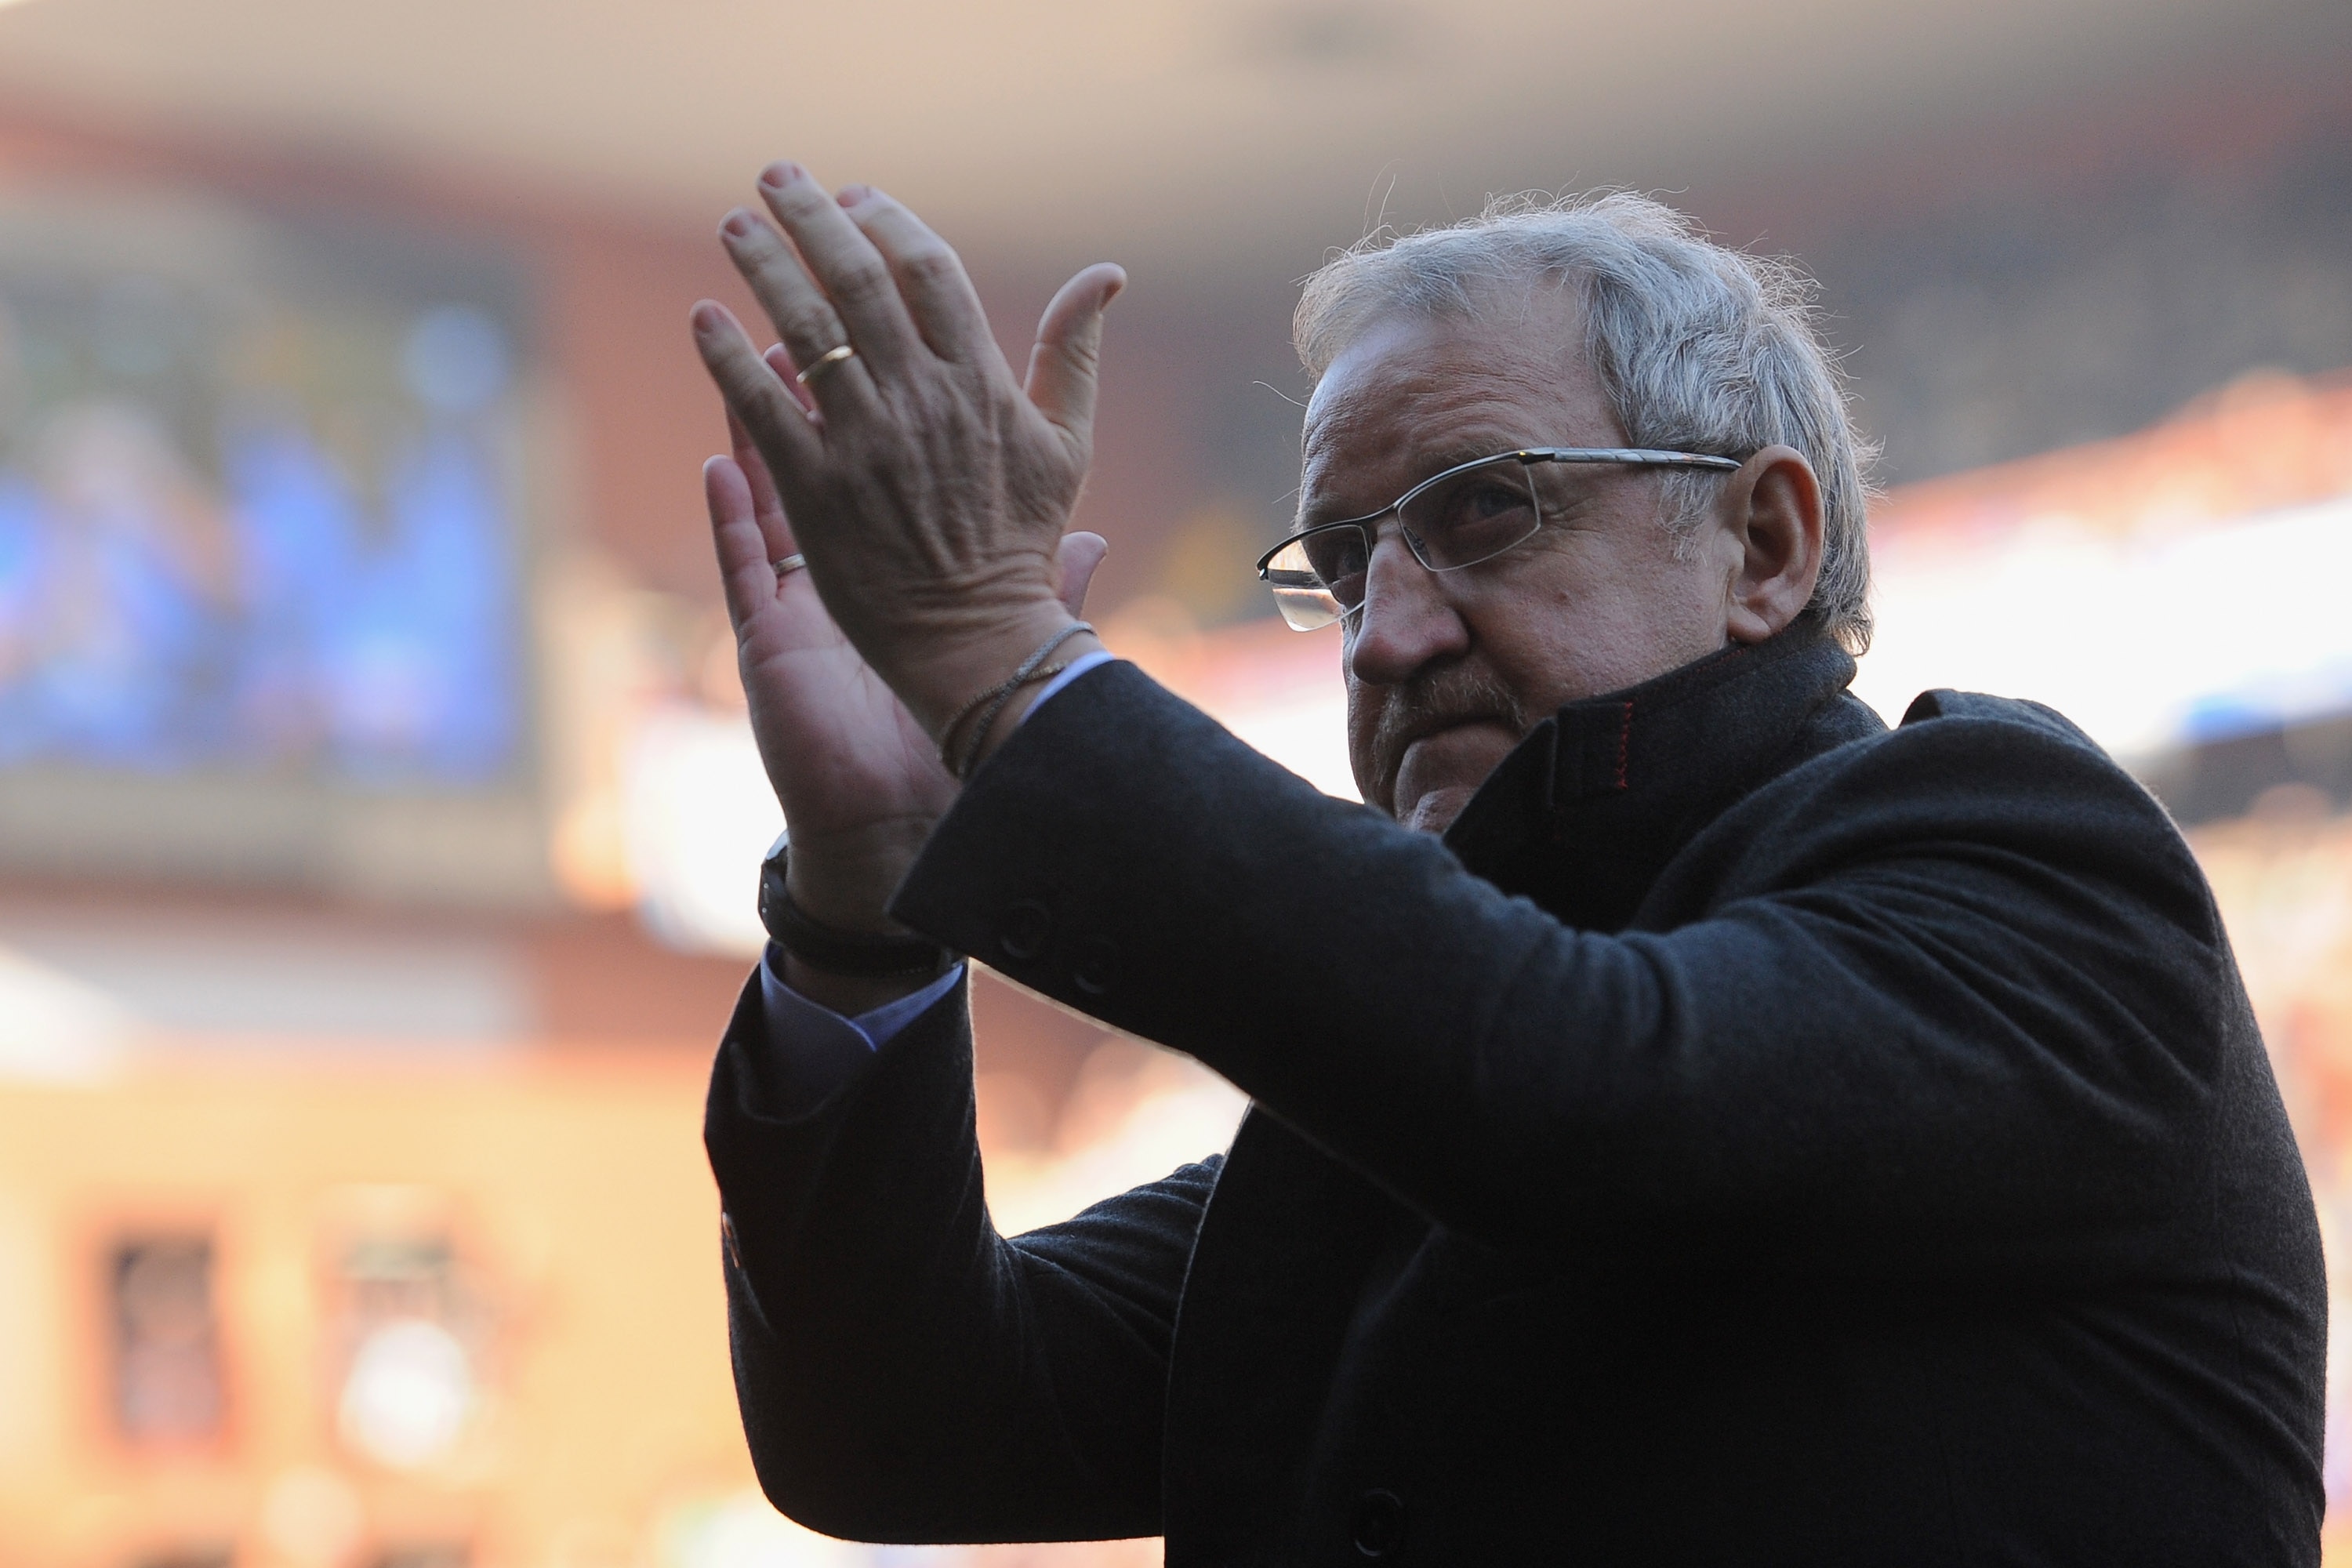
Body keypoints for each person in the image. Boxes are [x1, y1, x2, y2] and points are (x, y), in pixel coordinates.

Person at [690, 169, 2325, 1563]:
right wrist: (865, 897)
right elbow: (896, 1425)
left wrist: (1007, 667)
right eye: (1339, 566)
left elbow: (1579, 1088)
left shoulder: (2029, 860)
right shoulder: (1380, 1118)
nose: (1384, 634)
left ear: (1762, 545)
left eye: (1487, 513)